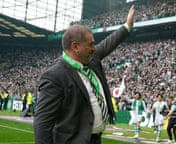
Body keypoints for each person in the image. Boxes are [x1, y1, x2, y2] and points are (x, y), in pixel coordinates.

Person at [34, 5, 135, 144]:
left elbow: (108, 43)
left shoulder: (90, 59)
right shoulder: (55, 76)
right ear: (75, 47)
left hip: (94, 139)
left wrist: (127, 26)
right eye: (91, 44)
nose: (95, 48)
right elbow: (42, 123)